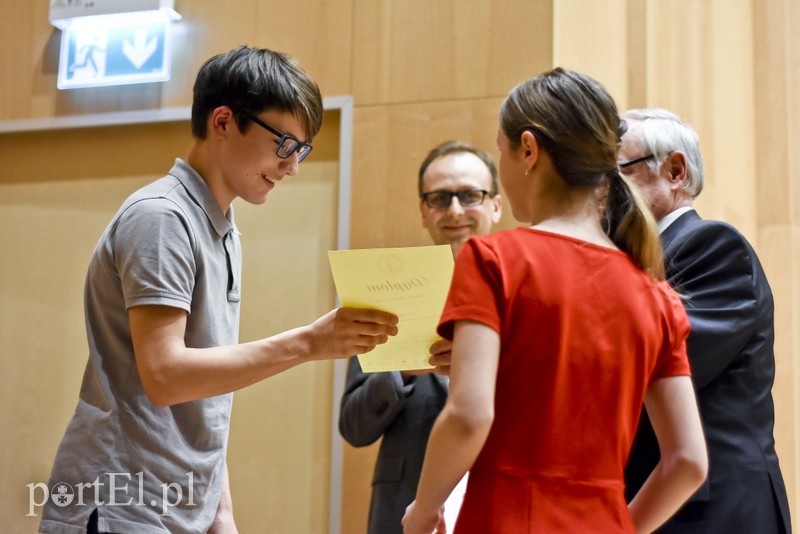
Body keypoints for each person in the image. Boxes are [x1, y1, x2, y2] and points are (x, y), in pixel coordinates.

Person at [39, 46, 398, 534]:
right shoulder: (162, 218)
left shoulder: (221, 227)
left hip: (178, 506)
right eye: (285, 144)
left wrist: (220, 512)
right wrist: (309, 342)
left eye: (302, 150)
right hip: (122, 502)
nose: (292, 166)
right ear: (224, 121)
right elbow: (165, 375)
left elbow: (205, 390)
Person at [402, 68, 708, 534]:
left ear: (527, 149)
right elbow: (688, 461)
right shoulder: (658, 296)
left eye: (501, 151)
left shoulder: (494, 258)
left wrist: (423, 510)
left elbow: (469, 415)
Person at [620, 108, 792, 533]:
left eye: (615, 172)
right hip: (660, 502)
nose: (599, 193)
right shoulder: (626, 265)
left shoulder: (712, 246)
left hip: (716, 509)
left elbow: (654, 359)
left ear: (675, 170)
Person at [338, 141, 502, 534]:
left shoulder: (525, 291)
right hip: (401, 510)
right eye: (440, 198)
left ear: (495, 205)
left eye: (469, 195)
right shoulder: (388, 294)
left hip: (497, 501)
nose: (456, 210)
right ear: (423, 211)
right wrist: (401, 372)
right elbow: (354, 427)